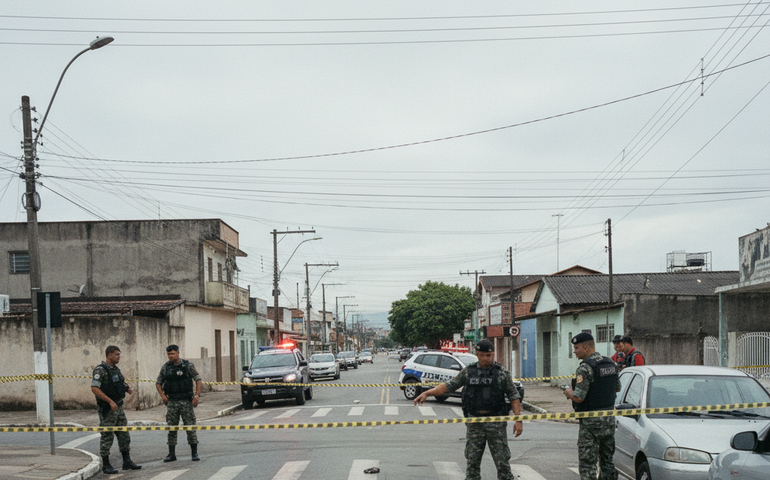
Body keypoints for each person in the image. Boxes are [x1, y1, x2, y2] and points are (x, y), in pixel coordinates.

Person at [414, 340, 523, 480]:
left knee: (503, 464)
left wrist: (518, 420)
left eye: (489, 355)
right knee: (472, 463)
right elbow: (449, 386)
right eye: (482, 355)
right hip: (474, 423)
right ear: (477, 354)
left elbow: (514, 396)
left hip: (496, 423)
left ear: (493, 354)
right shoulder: (469, 371)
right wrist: (428, 393)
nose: (486, 358)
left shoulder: (501, 373)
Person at [563, 333, 619, 480]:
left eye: (576, 348)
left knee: (588, 465)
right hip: (608, 421)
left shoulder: (585, 368)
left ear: (586, 347)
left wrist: (569, 393)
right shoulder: (610, 364)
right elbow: (617, 388)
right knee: (607, 462)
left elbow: (579, 397)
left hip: (590, 424)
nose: (574, 351)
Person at [90, 345, 142, 474]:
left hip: (118, 407)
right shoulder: (100, 370)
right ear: (109, 355)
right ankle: (106, 465)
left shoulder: (115, 370)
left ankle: (127, 461)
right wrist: (109, 401)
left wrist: (126, 388)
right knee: (107, 435)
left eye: (119, 354)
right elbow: (94, 388)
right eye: (117, 354)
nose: (119, 357)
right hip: (107, 409)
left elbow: (119, 382)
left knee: (123, 433)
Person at [156, 344, 203, 462]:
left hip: (186, 401)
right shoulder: (166, 367)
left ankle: (194, 453)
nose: (170, 356)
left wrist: (197, 395)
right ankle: (171, 454)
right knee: (172, 428)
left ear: (177, 353)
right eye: (168, 354)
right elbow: (158, 383)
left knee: (190, 427)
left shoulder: (187, 366)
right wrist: (162, 395)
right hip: (172, 402)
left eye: (172, 354)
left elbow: (198, 380)